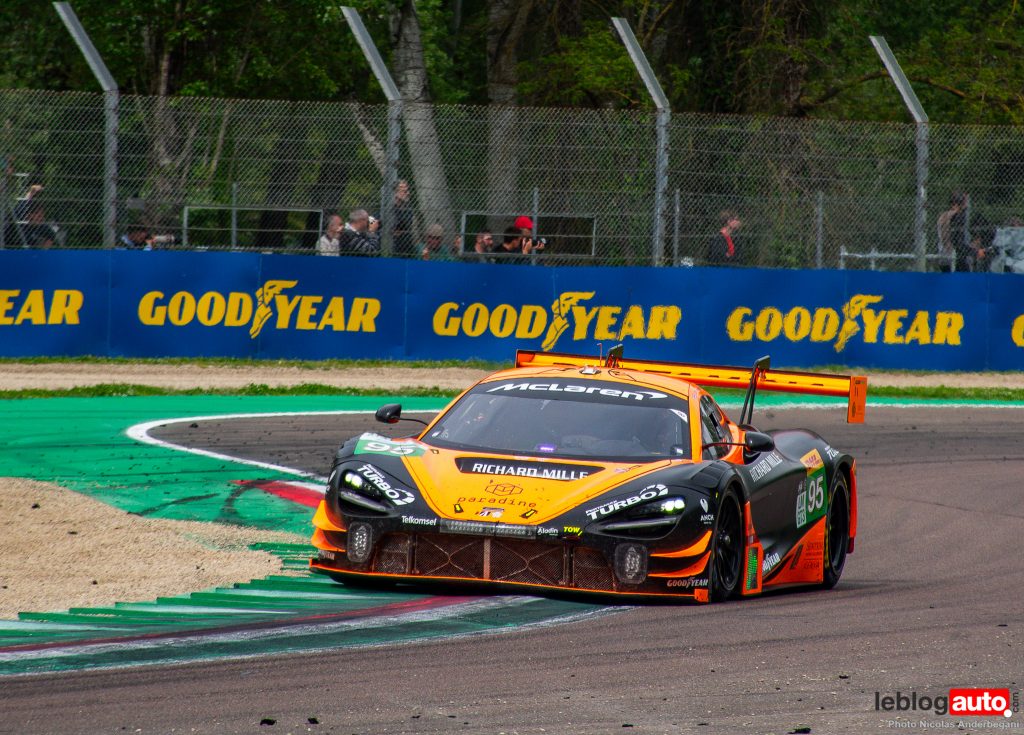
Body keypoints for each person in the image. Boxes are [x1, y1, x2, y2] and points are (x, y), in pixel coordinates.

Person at [937, 192, 969, 272]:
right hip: (952, 254)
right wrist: (948, 246)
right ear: (957, 204)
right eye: (964, 203)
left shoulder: (947, 215)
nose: (966, 206)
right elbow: (945, 232)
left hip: (947, 254)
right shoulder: (954, 216)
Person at [392, 179, 416, 258]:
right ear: (395, 193)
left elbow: (404, 228)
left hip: (407, 249)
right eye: (404, 191)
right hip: (393, 249)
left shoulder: (409, 210)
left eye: (408, 190)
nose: (408, 193)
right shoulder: (387, 209)